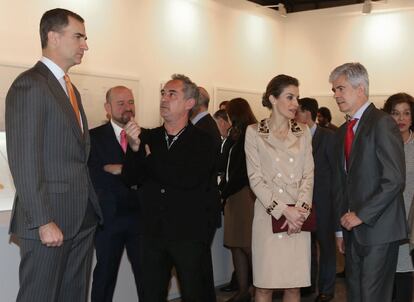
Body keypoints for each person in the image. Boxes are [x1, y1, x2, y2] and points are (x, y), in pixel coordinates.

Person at [5, 8, 102, 302]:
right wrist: (43, 220)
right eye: (79, 36)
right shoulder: (30, 84)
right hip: (50, 221)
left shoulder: (70, 89)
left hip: (81, 218)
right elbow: (24, 160)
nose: (85, 44)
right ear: (53, 37)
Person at [122, 74, 218, 301]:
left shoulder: (204, 141)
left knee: (196, 293)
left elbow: (185, 179)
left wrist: (149, 160)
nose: (164, 99)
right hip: (153, 234)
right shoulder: (147, 137)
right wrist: (136, 150)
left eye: (172, 94)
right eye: (163, 93)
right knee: (151, 294)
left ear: (189, 103)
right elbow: (129, 178)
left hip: (189, 235)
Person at [330, 62, 406, 302]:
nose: (336, 95)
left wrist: (361, 214)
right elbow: (342, 184)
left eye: (340, 88)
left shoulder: (382, 123)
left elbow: (394, 179)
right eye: (334, 90)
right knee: (356, 296)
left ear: (360, 88)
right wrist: (339, 230)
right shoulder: (344, 130)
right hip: (352, 232)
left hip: (379, 231)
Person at [245, 74, 314, 302]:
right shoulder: (254, 132)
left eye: (297, 98)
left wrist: (300, 212)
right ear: (273, 99)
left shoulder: (302, 132)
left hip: (298, 220)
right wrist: (284, 210)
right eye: (290, 97)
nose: (295, 104)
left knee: (293, 286)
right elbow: (255, 179)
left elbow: (308, 174)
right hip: (269, 216)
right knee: (264, 286)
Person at [88, 86, 143, 301]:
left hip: (140, 219)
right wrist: (131, 172)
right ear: (107, 108)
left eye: (130, 102)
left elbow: (148, 175)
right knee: (104, 276)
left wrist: (120, 169)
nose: (127, 108)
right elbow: (93, 175)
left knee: (146, 275)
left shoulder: (145, 136)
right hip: (108, 219)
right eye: (120, 104)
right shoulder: (93, 138)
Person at [296, 98, 336, 302]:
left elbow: (336, 172)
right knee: (306, 245)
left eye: (298, 112)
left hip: (324, 202)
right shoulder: (294, 137)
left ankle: (327, 290)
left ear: (308, 113)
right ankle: (307, 284)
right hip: (301, 202)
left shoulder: (328, 137)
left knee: (326, 246)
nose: (294, 116)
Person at [221, 98, 257, 302]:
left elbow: (243, 172)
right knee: (235, 244)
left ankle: (258, 287)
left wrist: (224, 191)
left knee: (247, 244)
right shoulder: (235, 136)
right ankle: (243, 290)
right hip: (233, 195)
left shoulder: (251, 133)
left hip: (244, 194)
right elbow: (226, 165)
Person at [190, 86, 221, 302]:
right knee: (199, 264)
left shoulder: (204, 128)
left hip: (202, 208)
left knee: (199, 264)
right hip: (202, 207)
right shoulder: (204, 125)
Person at [383, 93, 414, 302]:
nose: (401, 119)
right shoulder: (380, 144)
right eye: (395, 113)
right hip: (384, 222)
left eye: (406, 113)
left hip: (411, 224)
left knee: (404, 277)